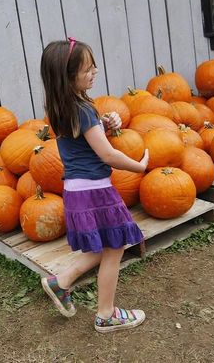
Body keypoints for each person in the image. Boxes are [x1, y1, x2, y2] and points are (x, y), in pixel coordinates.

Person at [39, 38, 149, 333]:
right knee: (115, 246)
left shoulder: (63, 106)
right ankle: (106, 314)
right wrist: (139, 166)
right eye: (87, 69)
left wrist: (105, 123)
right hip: (95, 190)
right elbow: (107, 154)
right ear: (68, 76)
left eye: (93, 66)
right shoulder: (83, 109)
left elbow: (86, 137)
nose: (94, 72)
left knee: (105, 244)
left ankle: (59, 282)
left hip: (76, 190)